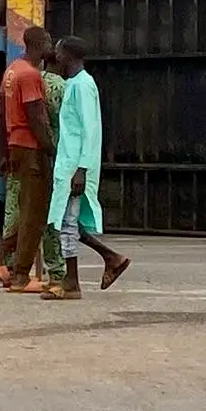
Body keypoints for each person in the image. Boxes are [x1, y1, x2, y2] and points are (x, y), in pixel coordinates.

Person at [46, 36, 131, 300]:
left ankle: (72, 282)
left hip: (75, 166)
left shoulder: (82, 85)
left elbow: (89, 129)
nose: (55, 57)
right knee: (65, 221)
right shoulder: (74, 84)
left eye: (58, 52)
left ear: (67, 55)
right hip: (69, 164)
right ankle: (111, 258)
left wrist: (81, 169)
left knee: (67, 223)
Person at [0, 26, 54, 293]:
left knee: (27, 209)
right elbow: (36, 117)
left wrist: (6, 151)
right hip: (32, 148)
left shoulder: (11, 71)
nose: (51, 47)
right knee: (35, 214)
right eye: (49, 42)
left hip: (16, 144)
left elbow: (3, 116)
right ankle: (21, 274)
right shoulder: (30, 75)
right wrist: (51, 148)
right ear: (40, 44)